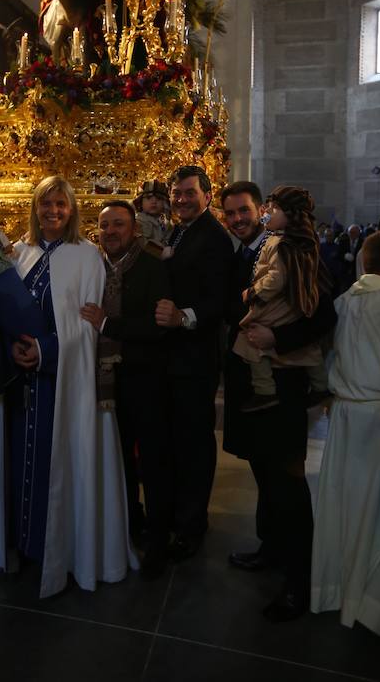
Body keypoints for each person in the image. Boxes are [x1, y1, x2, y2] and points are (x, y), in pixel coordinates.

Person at [0, 176, 135, 597]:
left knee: (59, 465)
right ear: (35, 208)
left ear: (72, 209)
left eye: (61, 205)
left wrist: (45, 351)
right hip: (18, 388)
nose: (53, 212)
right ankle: (18, 544)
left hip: (64, 386)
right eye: (46, 205)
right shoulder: (16, 255)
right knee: (15, 465)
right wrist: (13, 349)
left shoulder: (87, 257)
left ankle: (59, 550)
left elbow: (89, 323)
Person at [221, 180, 337, 621]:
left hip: (284, 383)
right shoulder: (244, 254)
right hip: (253, 381)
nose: (238, 220)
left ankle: (300, 582)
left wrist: (279, 336)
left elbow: (324, 313)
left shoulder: (296, 250)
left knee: (287, 482)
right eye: (230, 214)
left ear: (261, 209)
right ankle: (271, 548)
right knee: (264, 474)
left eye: (244, 211)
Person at [311, 232, 380, 645]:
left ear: (362, 260)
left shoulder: (343, 301)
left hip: (345, 413)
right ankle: (369, 597)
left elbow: (330, 358)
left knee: (343, 502)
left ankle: (335, 588)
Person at [80, 200, 173, 576]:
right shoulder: (94, 267)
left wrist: (108, 326)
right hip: (107, 382)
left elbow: (157, 326)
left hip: (146, 379)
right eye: (104, 226)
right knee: (118, 457)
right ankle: (129, 522)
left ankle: (158, 539)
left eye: (118, 225)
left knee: (153, 461)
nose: (111, 232)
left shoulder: (152, 265)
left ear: (134, 229)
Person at [155, 165, 234, 560]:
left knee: (194, 443)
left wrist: (184, 316)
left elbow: (221, 299)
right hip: (173, 357)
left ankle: (191, 523)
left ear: (206, 194)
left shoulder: (214, 238)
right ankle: (176, 515)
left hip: (195, 357)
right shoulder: (180, 230)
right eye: (176, 193)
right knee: (175, 439)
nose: (181, 199)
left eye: (188, 193)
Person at [233, 186, 331, 412]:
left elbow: (278, 279)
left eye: (272, 208)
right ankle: (319, 385)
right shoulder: (279, 241)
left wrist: (254, 292)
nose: (266, 212)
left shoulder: (284, 244)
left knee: (249, 340)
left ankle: (266, 391)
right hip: (285, 310)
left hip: (290, 381)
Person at [133, 179, 172, 256]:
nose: (154, 202)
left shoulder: (165, 220)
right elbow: (142, 243)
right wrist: (161, 252)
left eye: (159, 198)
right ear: (140, 202)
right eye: (148, 198)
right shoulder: (139, 221)